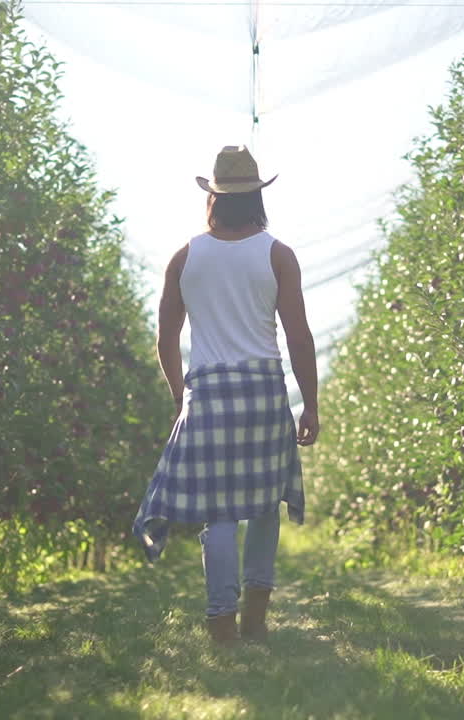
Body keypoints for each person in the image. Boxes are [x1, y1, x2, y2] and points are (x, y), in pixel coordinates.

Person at [132, 145, 319, 648]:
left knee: (218, 513)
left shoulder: (186, 257)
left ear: (213, 197)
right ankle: (256, 619)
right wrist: (311, 405)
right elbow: (298, 336)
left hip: (209, 394)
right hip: (262, 391)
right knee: (261, 508)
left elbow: (166, 337)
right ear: (257, 195)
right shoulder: (277, 254)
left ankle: (221, 626)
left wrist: (180, 394)